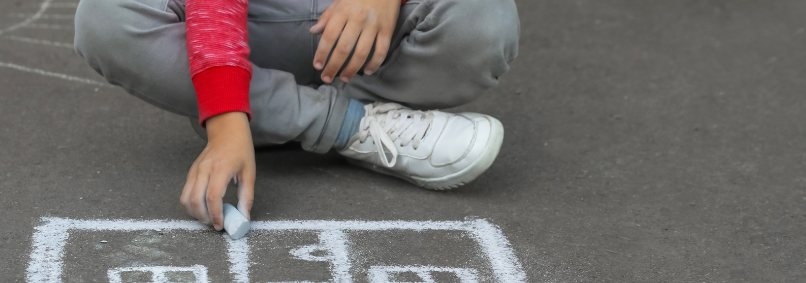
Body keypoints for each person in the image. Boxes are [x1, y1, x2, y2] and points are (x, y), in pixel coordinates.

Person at [74, 0, 519, 230]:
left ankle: (286, 114)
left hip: (373, 29)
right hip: (254, 26)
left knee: (485, 18)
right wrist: (227, 118)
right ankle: (351, 124)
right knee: (107, 16)